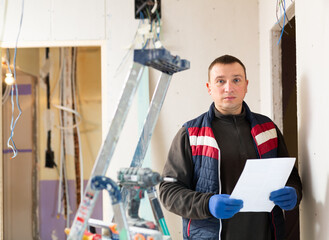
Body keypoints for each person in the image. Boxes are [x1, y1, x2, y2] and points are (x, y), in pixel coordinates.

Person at [159, 55, 302, 240]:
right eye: (220, 81)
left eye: (236, 80)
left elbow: (290, 177)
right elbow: (168, 191)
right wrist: (207, 204)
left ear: (246, 85)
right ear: (209, 88)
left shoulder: (268, 129)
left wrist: (293, 193)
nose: (229, 88)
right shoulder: (191, 134)